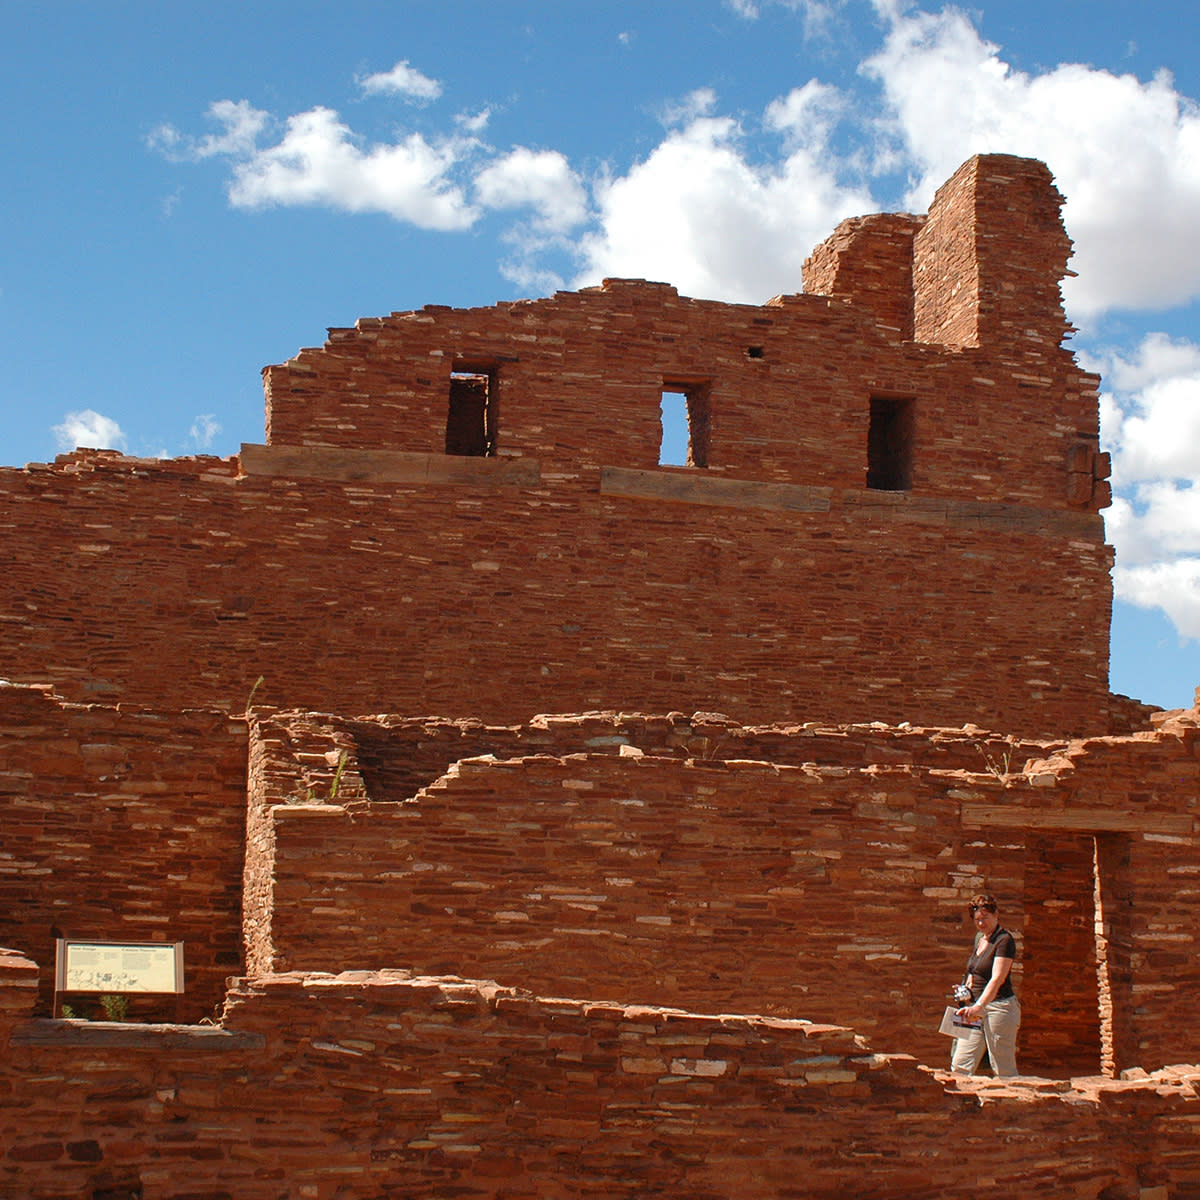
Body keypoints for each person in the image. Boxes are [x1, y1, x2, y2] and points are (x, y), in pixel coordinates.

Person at [951, 892, 1020, 1076]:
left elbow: (997, 978)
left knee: (1003, 1067)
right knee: (960, 1064)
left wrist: (980, 1006)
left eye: (985, 918)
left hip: (998, 1007)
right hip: (975, 1007)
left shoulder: (1004, 940)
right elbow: (975, 970)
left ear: (996, 914)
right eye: (977, 919)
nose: (981, 923)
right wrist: (965, 988)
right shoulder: (979, 939)